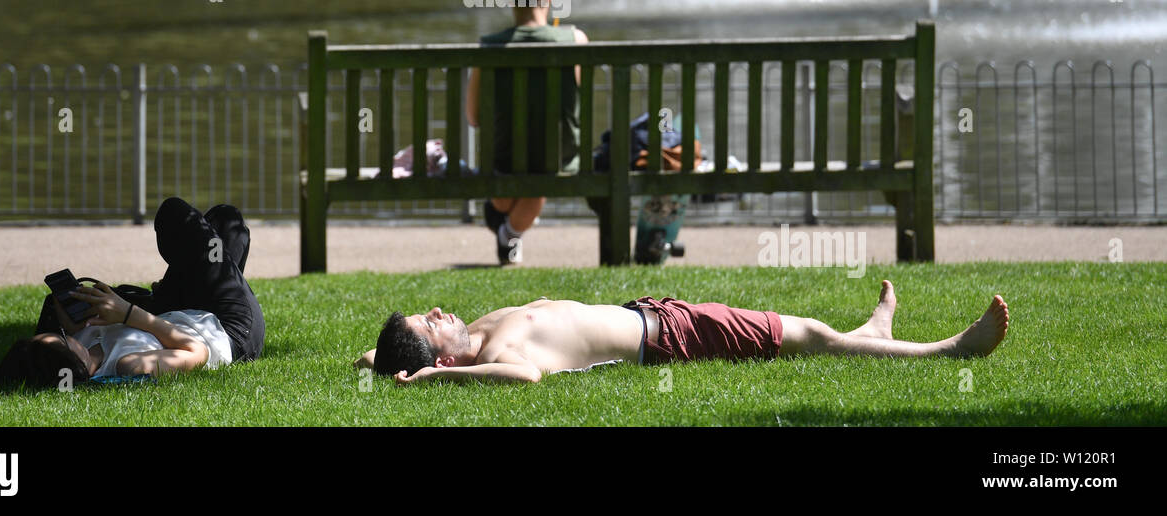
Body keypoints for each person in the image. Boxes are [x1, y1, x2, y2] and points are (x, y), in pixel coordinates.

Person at [356, 280, 1009, 384]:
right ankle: (950, 350)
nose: (437, 312)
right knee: (809, 334)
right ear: (442, 361)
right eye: (429, 324)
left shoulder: (476, 332)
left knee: (808, 333)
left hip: (657, 312)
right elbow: (524, 377)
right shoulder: (501, 351)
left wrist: (379, 361)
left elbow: (380, 357)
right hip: (672, 338)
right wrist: (430, 380)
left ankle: (871, 331)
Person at [0, 197, 265, 388]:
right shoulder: (130, 365)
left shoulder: (83, 342)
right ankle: (220, 284)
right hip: (226, 330)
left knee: (224, 222)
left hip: (182, 311)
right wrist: (128, 313)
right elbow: (198, 352)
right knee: (178, 214)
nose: (65, 334)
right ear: (73, 364)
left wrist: (76, 323)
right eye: (62, 339)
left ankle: (214, 280)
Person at [466, 0, 587, 264]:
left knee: (516, 175)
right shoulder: (575, 41)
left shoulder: (488, 47)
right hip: (557, 159)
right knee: (540, 167)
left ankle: (506, 225)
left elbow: (473, 117)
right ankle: (510, 231)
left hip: (503, 160)